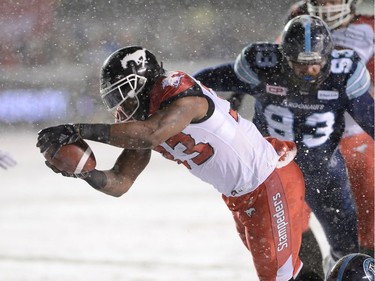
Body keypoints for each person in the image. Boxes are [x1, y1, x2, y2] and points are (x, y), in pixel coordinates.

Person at [37, 46, 308, 281]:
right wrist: (84, 173)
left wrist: (77, 130)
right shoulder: (147, 120)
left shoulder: (177, 90)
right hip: (244, 195)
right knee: (288, 273)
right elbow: (121, 182)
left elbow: (150, 134)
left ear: (142, 80)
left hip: (268, 182)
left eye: (124, 93)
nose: (121, 105)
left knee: (278, 277)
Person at [193, 15, 374, 280]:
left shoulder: (343, 72)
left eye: (315, 63)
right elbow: (204, 81)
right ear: (285, 56)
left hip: (325, 171)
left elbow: (370, 119)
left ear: (329, 56)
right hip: (276, 173)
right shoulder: (263, 66)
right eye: (300, 64)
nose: (308, 70)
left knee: (347, 247)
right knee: (293, 250)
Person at [276, 0, 375, 258]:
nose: (328, 6)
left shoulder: (368, 29)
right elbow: (278, 64)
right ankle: (309, 271)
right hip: (306, 139)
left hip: (354, 135)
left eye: (334, 1)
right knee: (290, 219)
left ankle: (360, 268)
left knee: (368, 219)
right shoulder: (298, 19)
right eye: (322, 1)